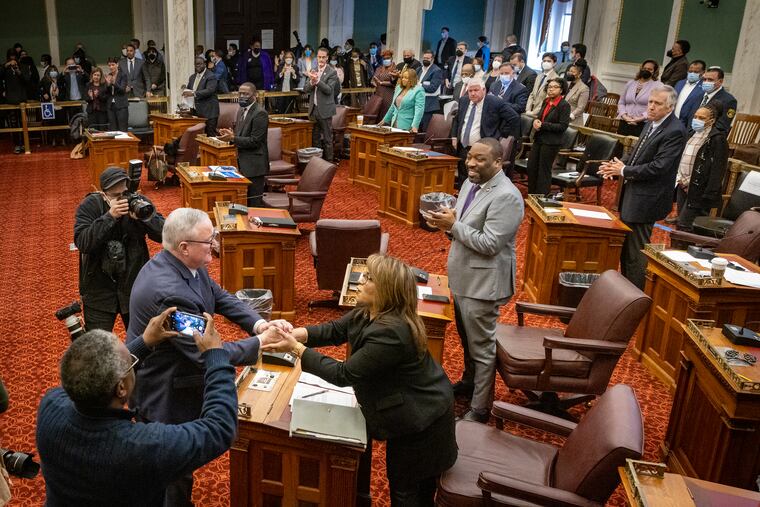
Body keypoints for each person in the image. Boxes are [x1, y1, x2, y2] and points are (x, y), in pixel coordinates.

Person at [126, 207, 292, 506]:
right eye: (209, 239)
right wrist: (261, 343)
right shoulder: (169, 291)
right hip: (165, 395)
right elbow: (207, 352)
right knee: (172, 471)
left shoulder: (183, 264)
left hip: (176, 381)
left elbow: (219, 296)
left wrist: (259, 323)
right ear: (184, 247)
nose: (215, 244)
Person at [262, 254, 458, 504]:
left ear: (385, 290)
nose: (360, 281)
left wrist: (295, 349)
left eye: (368, 278)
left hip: (423, 421)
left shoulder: (392, 332)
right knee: (402, 484)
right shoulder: (369, 311)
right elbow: (334, 330)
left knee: (406, 490)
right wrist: (293, 333)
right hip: (407, 410)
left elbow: (344, 374)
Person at [36, 308, 243, 506]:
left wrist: (143, 343)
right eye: (127, 358)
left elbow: (83, 376)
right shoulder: (143, 447)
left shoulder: (50, 407)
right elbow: (219, 428)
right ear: (121, 389)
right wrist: (216, 357)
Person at [424, 137, 523, 423]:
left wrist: (453, 225)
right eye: (470, 157)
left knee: (482, 348)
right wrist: (449, 222)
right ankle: (469, 384)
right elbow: (464, 223)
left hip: (483, 285)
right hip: (464, 277)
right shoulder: (471, 182)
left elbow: (491, 243)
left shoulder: (506, 195)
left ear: (498, 162)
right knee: (468, 341)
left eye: (480, 159)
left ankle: (480, 409)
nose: (471, 163)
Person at [599, 86, 687, 289]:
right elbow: (635, 153)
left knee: (636, 252)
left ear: (670, 107)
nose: (651, 107)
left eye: (657, 104)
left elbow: (659, 167)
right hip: (634, 195)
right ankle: (625, 291)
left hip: (648, 199)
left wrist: (625, 171)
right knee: (626, 248)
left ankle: (634, 295)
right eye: (650, 102)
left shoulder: (675, 131)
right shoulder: (651, 123)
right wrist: (616, 166)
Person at [74, 167, 165, 332]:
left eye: (124, 193)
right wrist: (110, 217)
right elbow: (83, 242)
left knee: (143, 343)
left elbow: (164, 235)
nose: (123, 200)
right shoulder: (90, 205)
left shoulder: (138, 202)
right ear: (104, 194)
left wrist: (145, 220)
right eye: (116, 197)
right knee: (98, 347)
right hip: (98, 291)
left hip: (134, 288)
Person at [452, 80, 520, 187]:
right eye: (470, 91)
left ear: (484, 90)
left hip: (484, 150)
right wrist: (454, 137)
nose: (473, 93)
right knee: (463, 176)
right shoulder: (463, 101)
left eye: (476, 90)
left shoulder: (495, 102)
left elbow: (514, 118)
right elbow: (457, 119)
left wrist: (501, 134)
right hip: (464, 146)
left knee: (480, 178)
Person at [675, 102, 728, 231]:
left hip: (699, 189)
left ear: (711, 121)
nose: (696, 120)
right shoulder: (691, 133)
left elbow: (717, 169)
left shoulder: (717, 139)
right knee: (681, 221)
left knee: (685, 224)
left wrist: (709, 193)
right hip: (682, 183)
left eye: (702, 118)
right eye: (695, 116)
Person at [218, 82, 269, 205]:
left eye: (246, 94)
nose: (242, 96)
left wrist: (233, 138)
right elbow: (240, 135)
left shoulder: (260, 113)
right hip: (242, 162)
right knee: (244, 201)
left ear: (254, 95)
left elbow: (255, 141)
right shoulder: (241, 110)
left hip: (255, 166)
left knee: (254, 202)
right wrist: (231, 134)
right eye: (240, 93)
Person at [526, 77, 571, 195]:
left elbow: (562, 126)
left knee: (543, 170)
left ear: (561, 90)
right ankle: (532, 194)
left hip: (551, 142)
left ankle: (541, 196)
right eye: (550, 87)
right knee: (532, 167)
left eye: (555, 87)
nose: (551, 90)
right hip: (539, 138)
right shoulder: (546, 101)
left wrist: (543, 125)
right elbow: (540, 117)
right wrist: (535, 122)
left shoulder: (564, 105)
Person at [304, 47, 340, 162]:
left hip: (325, 109)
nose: (321, 59)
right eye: (319, 57)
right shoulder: (313, 70)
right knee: (315, 138)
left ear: (327, 58)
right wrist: (311, 81)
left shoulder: (332, 72)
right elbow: (305, 89)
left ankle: (329, 162)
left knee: (327, 138)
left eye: (323, 57)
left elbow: (329, 90)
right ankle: (317, 162)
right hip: (314, 109)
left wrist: (318, 81)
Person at [683, 66, 737, 133]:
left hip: (709, 139)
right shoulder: (699, 95)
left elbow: (722, 126)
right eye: (704, 79)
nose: (706, 82)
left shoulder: (729, 100)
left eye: (710, 80)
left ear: (720, 81)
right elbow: (690, 118)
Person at [617, 59, 660, 136]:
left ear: (654, 72)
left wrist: (640, 118)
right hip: (624, 121)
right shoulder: (630, 83)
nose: (646, 70)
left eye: (650, 69)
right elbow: (621, 102)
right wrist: (624, 116)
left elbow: (656, 106)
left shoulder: (658, 86)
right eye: (644, 68)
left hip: (642, 124)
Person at [183, 57, 219, 137]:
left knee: (210, 136)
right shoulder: (192, 77)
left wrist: (193, 93)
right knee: (197, 136)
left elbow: (210, 90)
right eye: (196, 64)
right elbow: (189, 90)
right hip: (196, 112)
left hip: (209, 112)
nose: (197, 66)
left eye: (200, 64)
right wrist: (185, 91)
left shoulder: (211, 76)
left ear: (204, 64)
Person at [674, 59, 706, 127]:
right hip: (672, 121)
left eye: (696, 72)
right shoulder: (680, 83)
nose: (692, 73)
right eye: (690, 71)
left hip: (688, 124)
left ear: (703, 72)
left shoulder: (704, 88)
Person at [417, 49, 443, 131]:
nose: (425, 60)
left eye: (428, 58)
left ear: (432, 59)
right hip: (418, 103)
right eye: (424, 58)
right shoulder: (419, 69)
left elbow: (432, 88)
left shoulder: (436, 70)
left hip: (429, 105)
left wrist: (420, 84)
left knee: (425, 130)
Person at [370, 50, 398, 121]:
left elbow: (394, 82)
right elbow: (373, 79)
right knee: (377, 111)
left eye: (388, 58)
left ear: (391, 58)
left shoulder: (395, 69)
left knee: (386, 112)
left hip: (389, 94)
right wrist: (374, 82)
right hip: (378, 93)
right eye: (384, 59)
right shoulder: (379, 68)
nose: (386, 60)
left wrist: (382, 83)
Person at [105, 57, 128, 131]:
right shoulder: (109, 75)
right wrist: (108, 85)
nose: (111, 67)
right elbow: (106, 93)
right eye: (109, 65)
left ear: (117, 64)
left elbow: (122, 90)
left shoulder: (123, 75)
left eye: (112, 65)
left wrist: (114, 83)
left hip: (121, 105)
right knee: (113, 129)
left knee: (122, 128)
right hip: (111, 106)